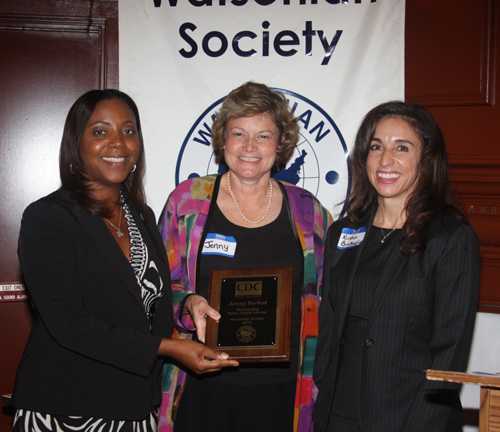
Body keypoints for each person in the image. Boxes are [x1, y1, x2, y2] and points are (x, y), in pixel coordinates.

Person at [11, 89, 237, 432]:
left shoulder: (141, 216)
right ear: (76, 143)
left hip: (135, 408)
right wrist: (168, 348)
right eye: (100, 131)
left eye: (129, 131)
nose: (118, 143)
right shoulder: (48, 218)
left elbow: (150, 310)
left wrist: (189, 313)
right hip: (66, 409)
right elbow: (70, 324)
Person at [158, 81, 332, 432]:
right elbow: (159, 287)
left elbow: (328, 298)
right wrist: (188, 302)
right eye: (239, 133)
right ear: (223, 140)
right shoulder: (187, 202)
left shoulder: (308, 211)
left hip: (284, 394)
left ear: (281, 144)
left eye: (263, 136)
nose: (250, 147)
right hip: (202, 389)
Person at [313, 101, 480, 432]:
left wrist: (424, 423)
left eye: (401, 147)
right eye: (376, 147)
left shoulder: (450, 237)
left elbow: (450, 351)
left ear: (426, 157)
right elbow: (331, 331)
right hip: (339, 412)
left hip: (410, 417)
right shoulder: (342, 232)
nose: (385, 160)